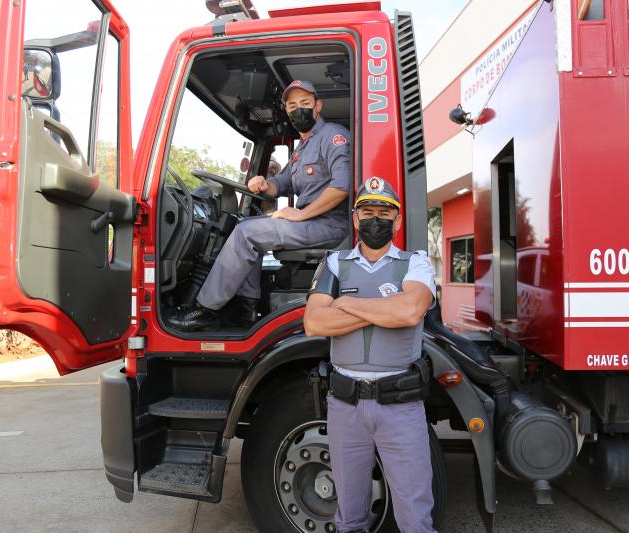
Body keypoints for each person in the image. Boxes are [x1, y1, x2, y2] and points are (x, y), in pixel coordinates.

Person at [303, 177, 437, 533]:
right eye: (367, 212)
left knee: (415, 519)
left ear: (397, 221)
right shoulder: (334, 263)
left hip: (400, 407)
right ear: (355, 218)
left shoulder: (416, 264)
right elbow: (315, 322)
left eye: (384, 213)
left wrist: (345, 303)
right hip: (345, 407)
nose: (375, 220)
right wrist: (382, 307)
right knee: (349, 518)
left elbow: (409, 312)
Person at [168, 80, 351, 331]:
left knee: (246, 232)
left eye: (305, 104)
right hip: (311, 222)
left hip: (329, 224)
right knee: (247, 226)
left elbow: (342, 186)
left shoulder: (333, 136)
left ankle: (205, 310)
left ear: (317, 106)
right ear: (286, 111)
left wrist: (300, 214)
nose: (299, 110)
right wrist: (263, 183)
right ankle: (247, 309)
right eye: (292, 105)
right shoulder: (301, 150)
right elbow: (282, 183)